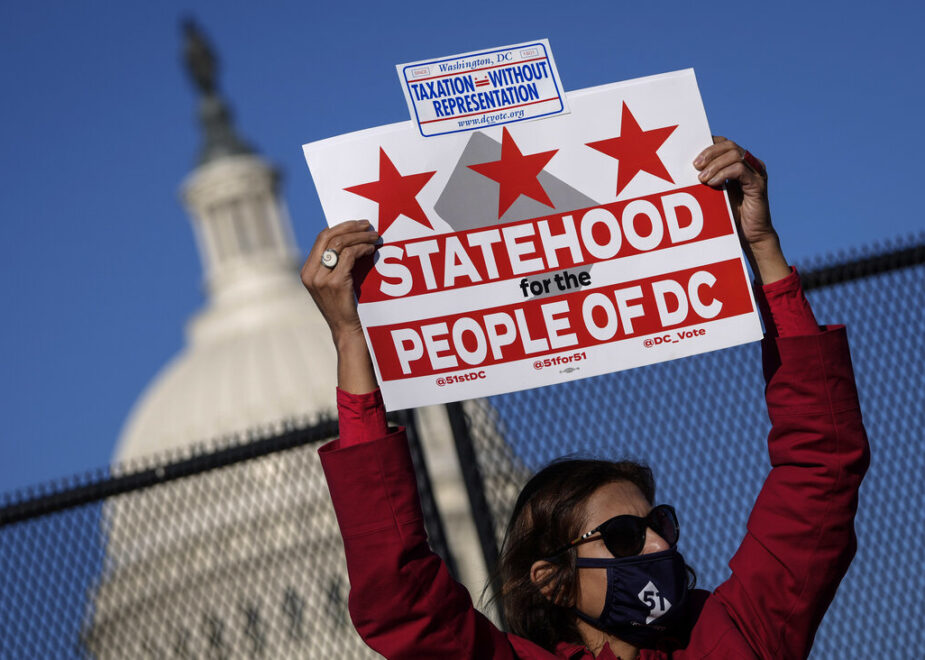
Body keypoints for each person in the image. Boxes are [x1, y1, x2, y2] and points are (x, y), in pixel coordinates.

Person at [301, 138, 870, 659]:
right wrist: (351, 339)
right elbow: (403, 602)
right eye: (623, 537)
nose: (655, 544)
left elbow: (821, 467)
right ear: (552, 580)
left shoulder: (736, 636)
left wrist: (763, 248)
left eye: (660, 525)